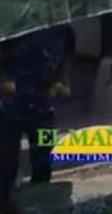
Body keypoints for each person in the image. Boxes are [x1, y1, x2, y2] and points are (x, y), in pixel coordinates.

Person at [0, 26, 71, 213]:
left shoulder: (64, 31)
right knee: (6, 163)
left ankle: (39, 205)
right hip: (10, 109)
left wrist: (62, 81)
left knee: (44, 159)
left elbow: (68, 57)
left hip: (45, 110)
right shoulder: (12, 29)